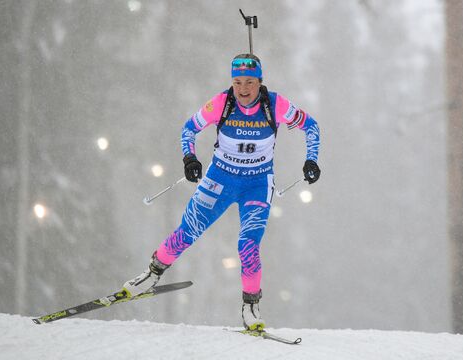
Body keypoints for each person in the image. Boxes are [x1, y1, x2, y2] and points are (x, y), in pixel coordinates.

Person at [123, 53, 321, 331]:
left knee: (248, 245)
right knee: (188, 231)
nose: (242, 89)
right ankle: (152, 272)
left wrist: (311, 160)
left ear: (260, 82)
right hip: (220, 179)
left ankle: (251, 306)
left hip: (257, 183)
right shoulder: (221, 103)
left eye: (249, 82)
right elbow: (188, 129)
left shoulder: (276, 105)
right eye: (237, 82)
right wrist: (189, 159)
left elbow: (310, 126)